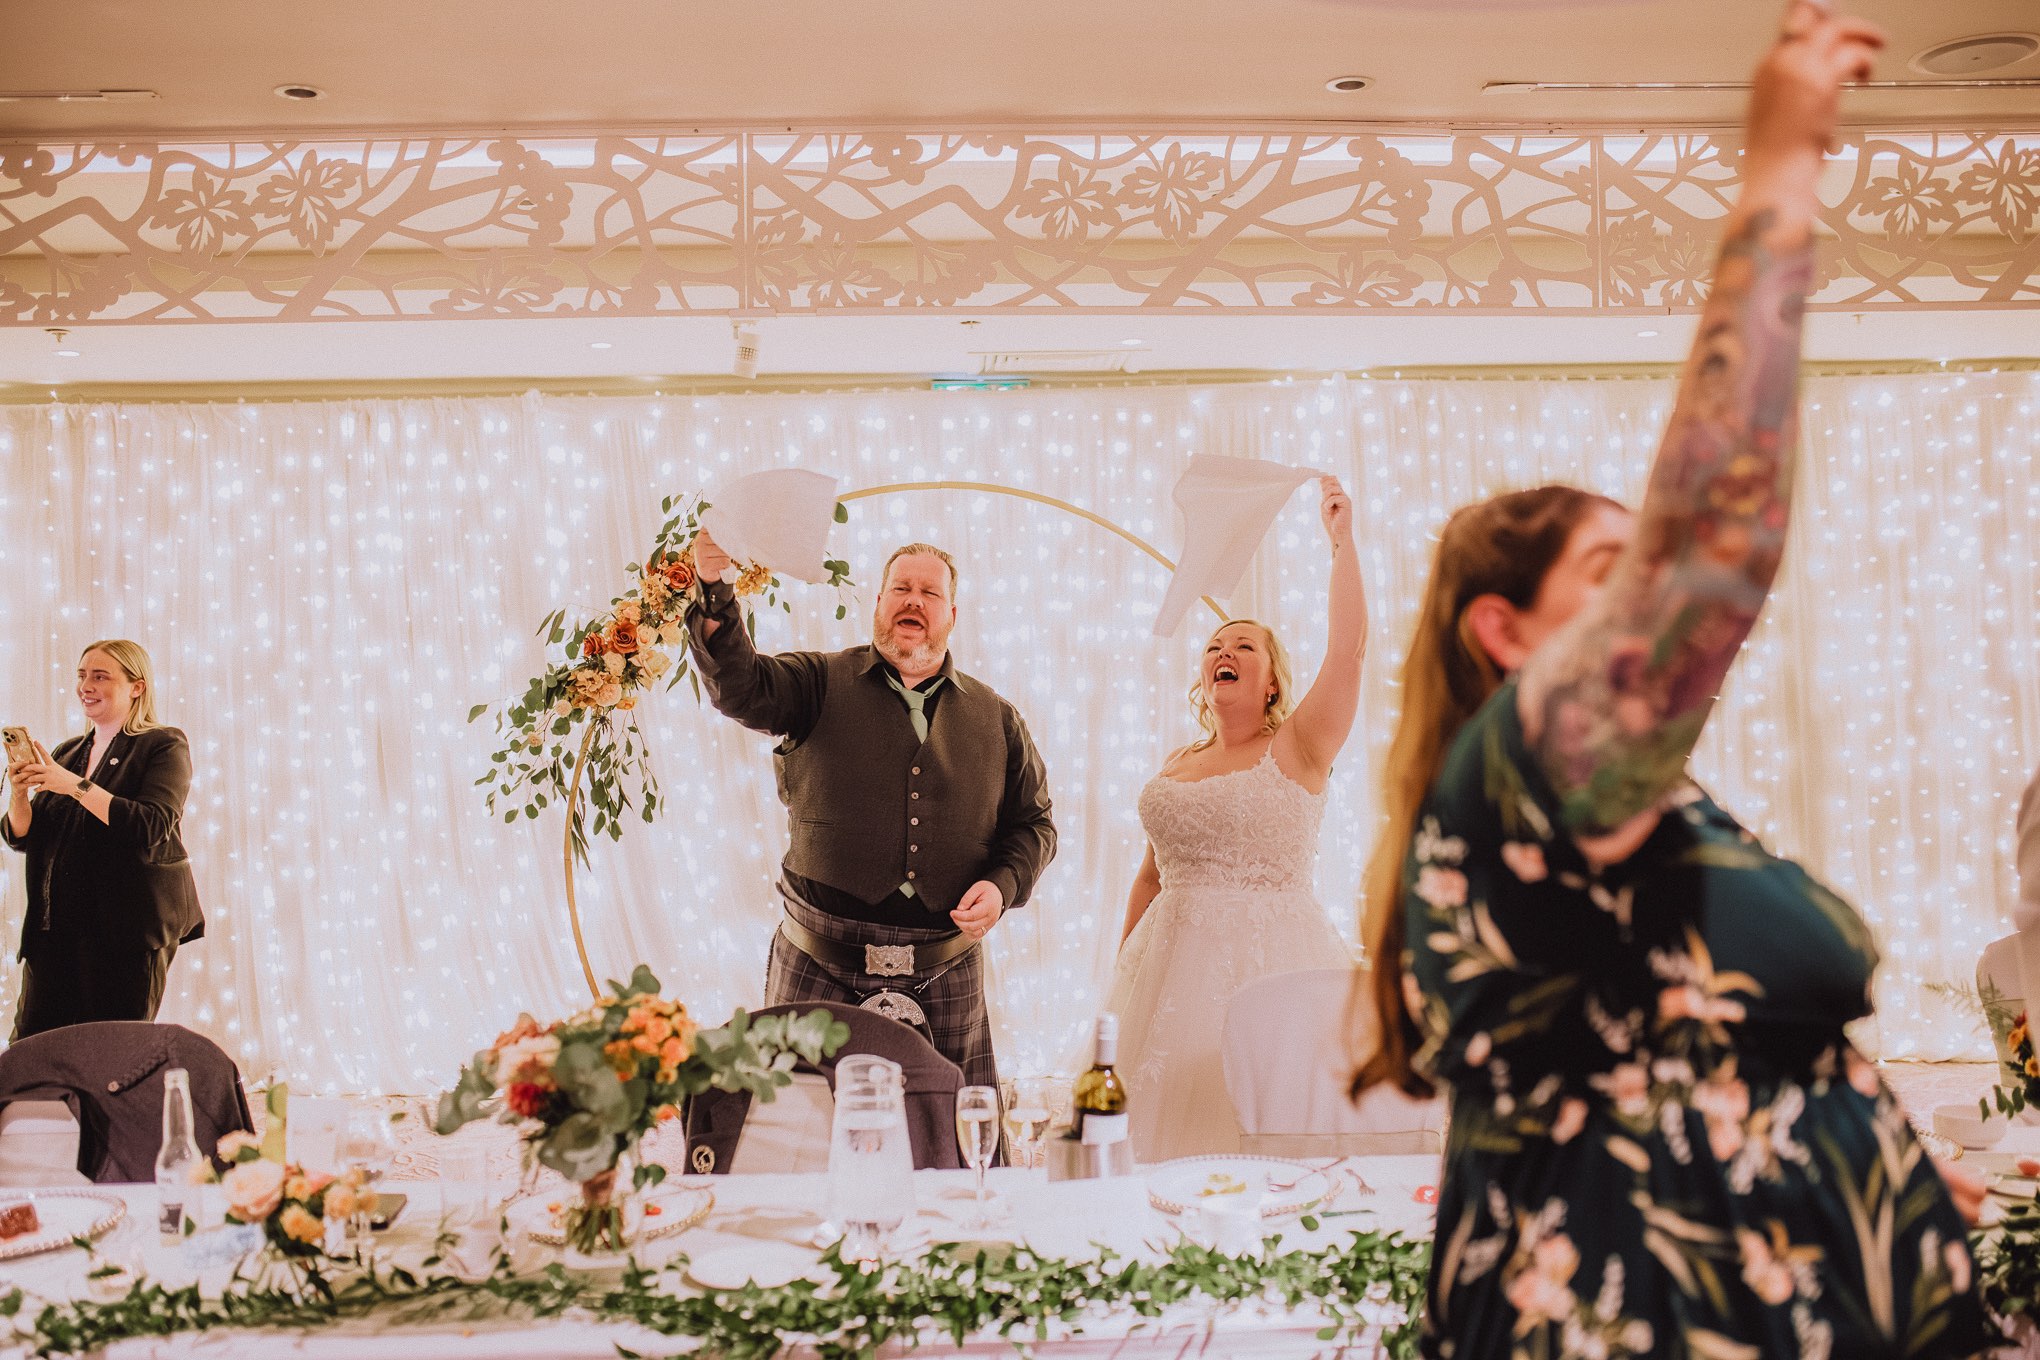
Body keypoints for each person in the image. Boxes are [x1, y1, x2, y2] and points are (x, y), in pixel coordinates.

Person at [1351, 5, 1994, 1354]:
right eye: (1611, 574)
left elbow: (1706, 1063)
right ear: (1506, 636)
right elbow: (1716, 542)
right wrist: (1777, 165)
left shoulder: (1647, 823)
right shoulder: (1524, 779)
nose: (1651, 589)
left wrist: (1857, 1175)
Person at [684, 534, 1056, 1089]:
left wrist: (1003, 884)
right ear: (878, 603)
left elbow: (1034, 824)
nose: (914, 600)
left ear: (952, 614)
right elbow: (741, 685)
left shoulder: (998, 717)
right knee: (799, 1146)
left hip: (945, 967)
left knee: (954, 1150)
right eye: (900, 588)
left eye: (930, 592)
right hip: (819, 960)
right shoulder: (814, 682)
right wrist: (715, 593)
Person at [1104, 475, 1365, 1161]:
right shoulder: (1174, 760)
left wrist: (1342, 542)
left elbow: (1349, 653)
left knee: (1263, 1126)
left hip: (1272, 966)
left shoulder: (1301, 745)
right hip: (1166, 975)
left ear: (1272, 678)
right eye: (1215, 646)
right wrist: (1121, 984)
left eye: (1244, 645)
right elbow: (1149, 879)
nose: (1225, 652)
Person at [3, 640, 204, 1041]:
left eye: (100, 676)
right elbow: (25, 837)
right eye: (82, 675)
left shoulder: (163, 744)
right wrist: (20, 794)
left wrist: (74, 785)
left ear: (137, 687)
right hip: (55, 931)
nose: (85, 686)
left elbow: (151, 825)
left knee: (112, 1052)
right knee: (31, 1051)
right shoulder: (68, 752)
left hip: (126, 935)